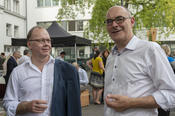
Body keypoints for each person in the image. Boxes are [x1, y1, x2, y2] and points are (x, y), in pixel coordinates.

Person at [104, 6, 175, 116]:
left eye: (120, 19)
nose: (114, 24)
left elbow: (171, 94)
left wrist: (131, 103)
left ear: (132, 21)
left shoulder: (150, 50)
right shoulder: (110, 57)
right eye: (109, 21)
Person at [3, 26, 81, 116]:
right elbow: (8, 102)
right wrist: (25, 106)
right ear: (29, 44)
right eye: (41, 40)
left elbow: (74, 108)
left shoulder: (67, 71)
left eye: (48, 41)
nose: (46, 44)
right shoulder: (18, 72)